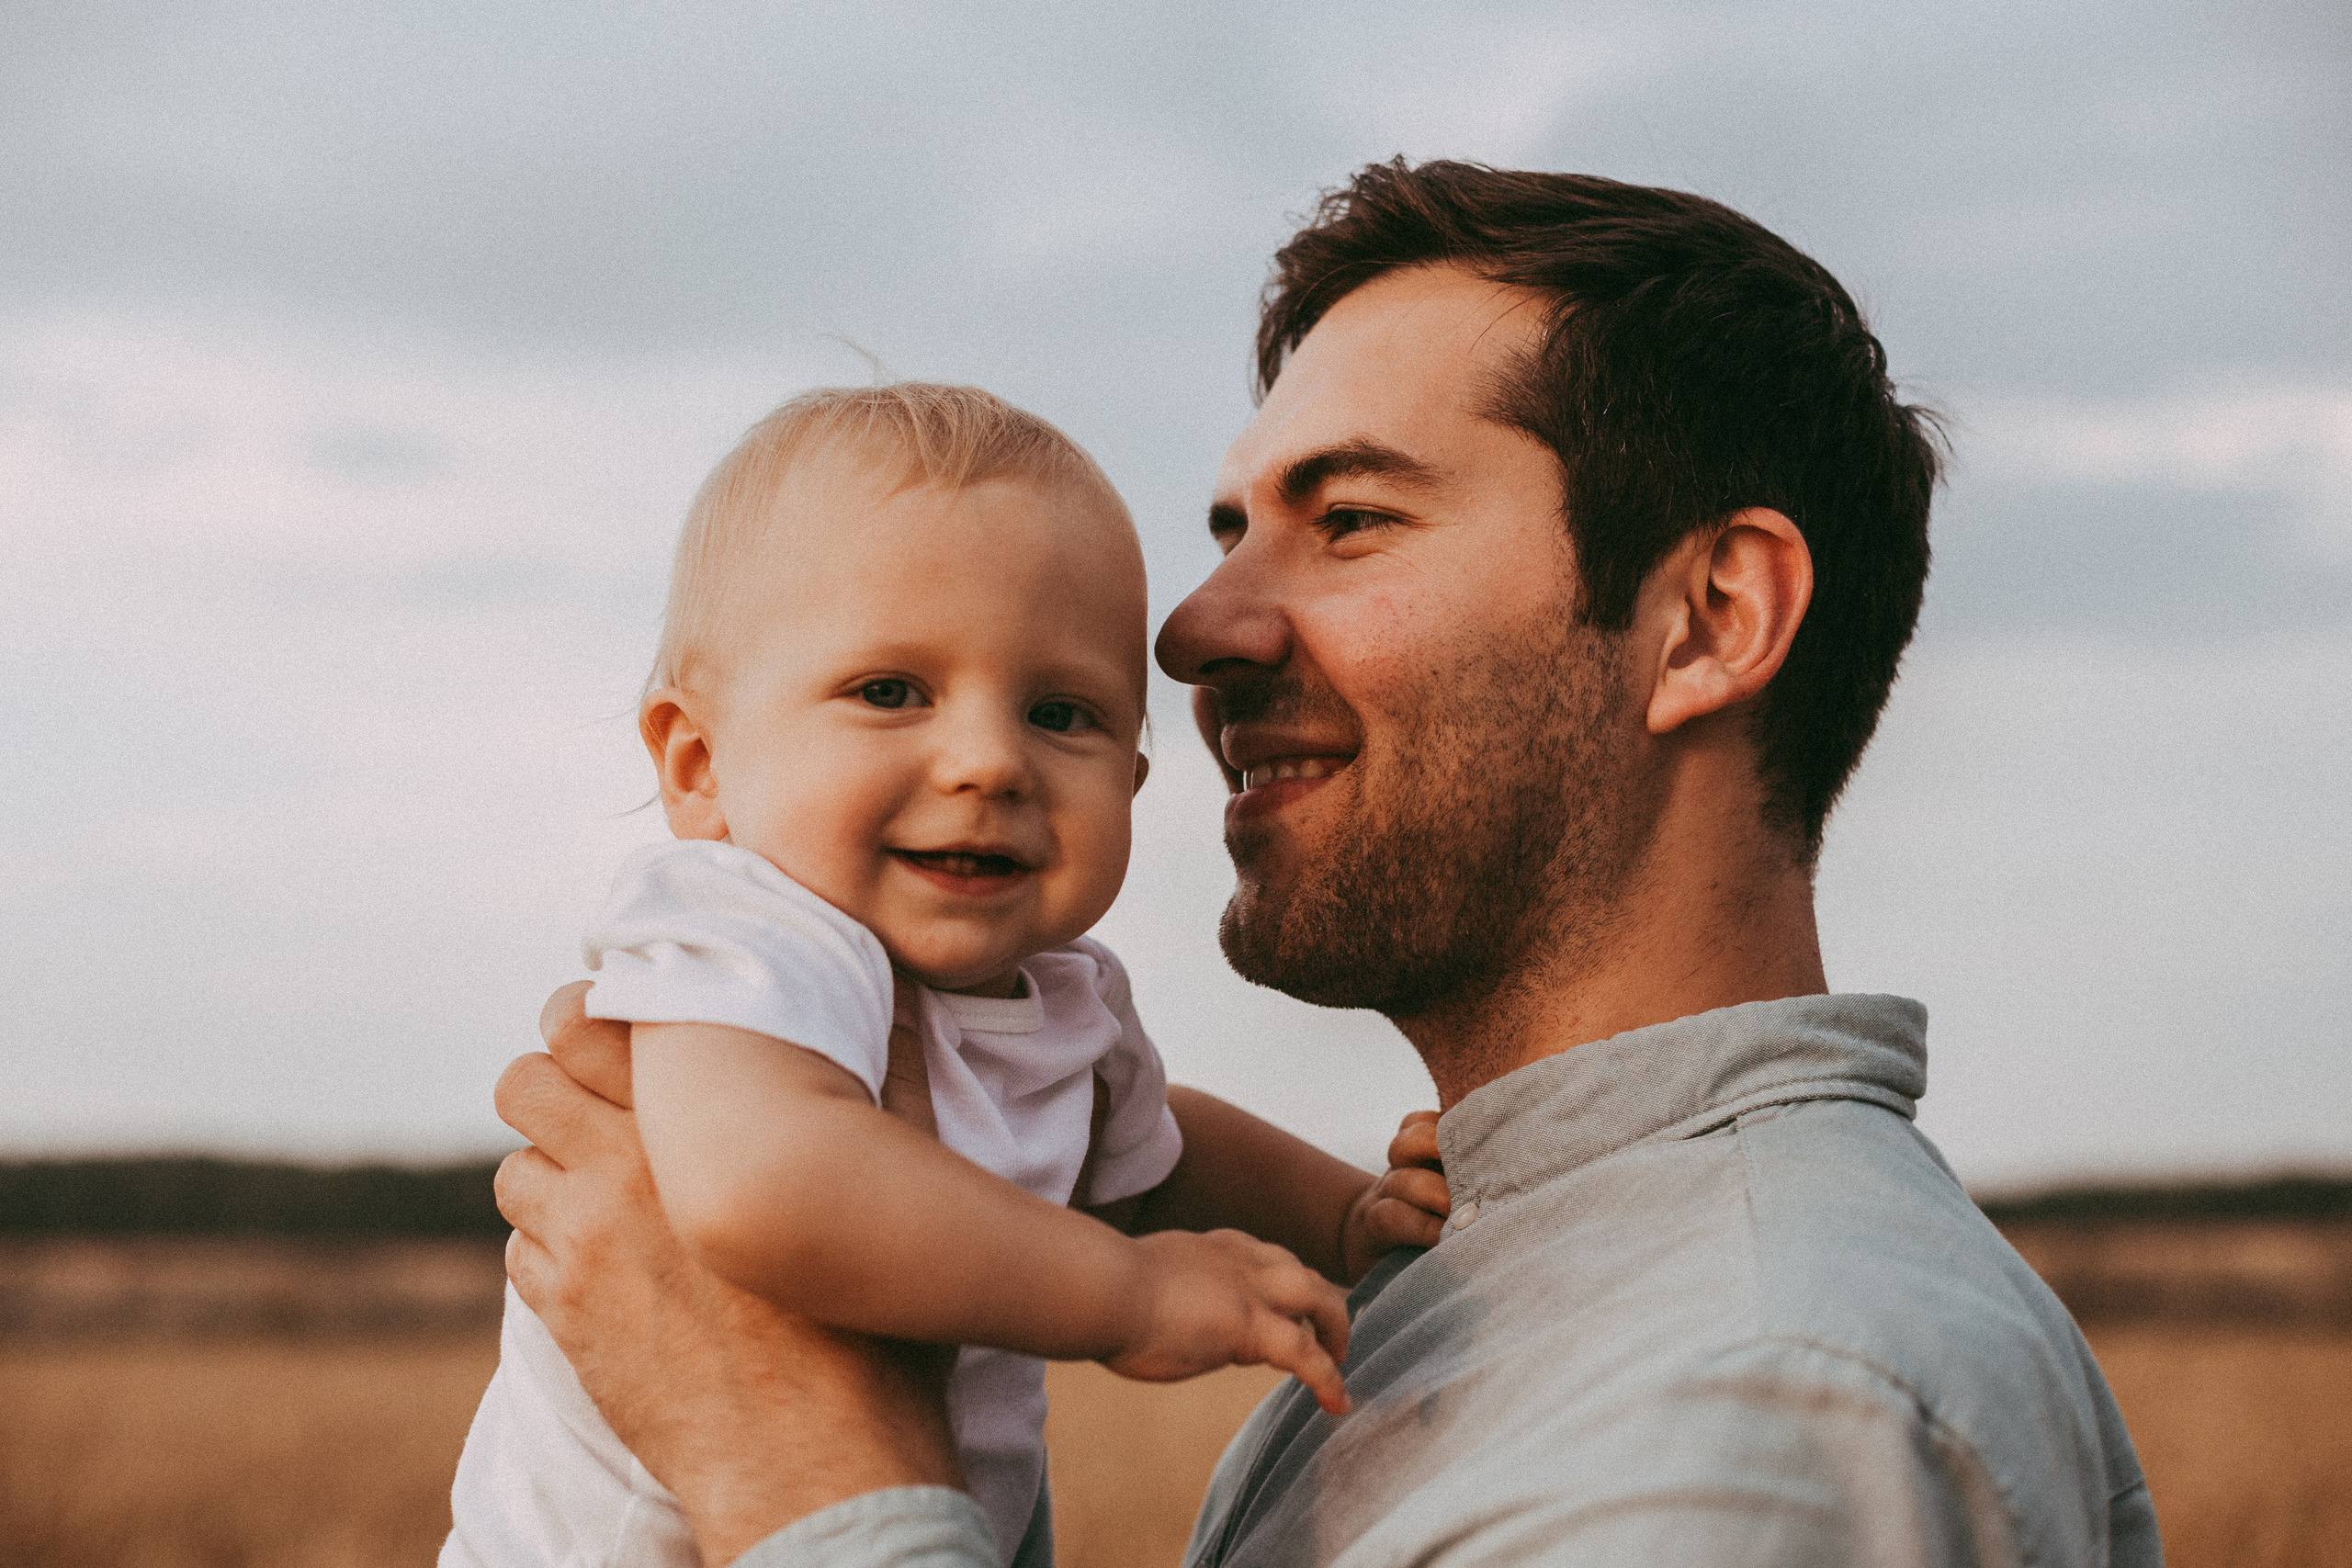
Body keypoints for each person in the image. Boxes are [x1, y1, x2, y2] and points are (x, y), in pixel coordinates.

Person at [492, 164, 2163, 1566]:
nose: (1197, 632)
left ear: (1708, 621)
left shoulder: (1754, 1393)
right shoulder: (1531, 1283)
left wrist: (793, 1458)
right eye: (1229, 536)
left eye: (1349, 519)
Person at [446, 384, 1447, 1568]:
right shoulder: (748, 931)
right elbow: (766, 1187)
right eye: (890, 693)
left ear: (1129, 782)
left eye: (1060, 712)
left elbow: (1147, 1155)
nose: (987, 760)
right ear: (700, 764)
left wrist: (1339, 1214)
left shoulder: (1066, 998)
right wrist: (1125, 1295)